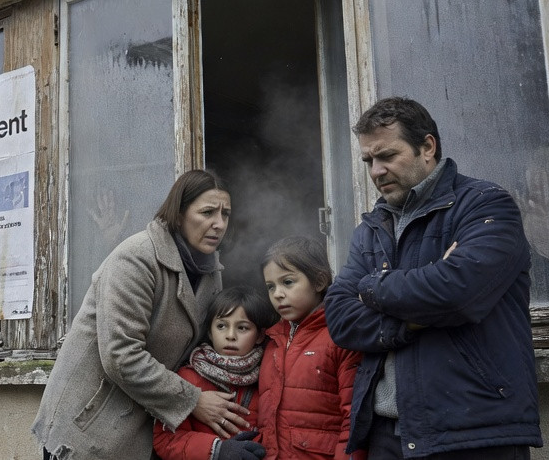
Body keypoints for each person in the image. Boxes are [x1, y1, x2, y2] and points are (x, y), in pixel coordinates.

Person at [323, 97, 541, 459]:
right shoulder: (373, 227)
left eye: (387, 156)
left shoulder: (485, 204)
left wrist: (370, 286)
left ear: (427, 147)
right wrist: (414, 319)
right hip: (387, 435)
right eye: (368, 161)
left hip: (474, 434)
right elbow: (341, 319)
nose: (376, 171)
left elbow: (458, 292)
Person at [33, 170, 250, 459]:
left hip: (140, 428)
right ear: (180, 214)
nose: (219, 224)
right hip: (89, 425)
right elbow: (121, 356)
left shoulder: (210, 273)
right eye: (208, 212)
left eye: (225, 214)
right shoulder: (136, 258)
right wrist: (194, 400)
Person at [258, 236, 365, 460]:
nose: (277, 293)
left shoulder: (340, 337)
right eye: (270, 286)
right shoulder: (272, 341)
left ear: (318, 282)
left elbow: (353, 420)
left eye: (287, 282)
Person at [153, 286, 276, 460]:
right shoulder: (188, 378)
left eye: (242, 328)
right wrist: (216, 450)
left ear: (259, 336)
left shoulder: (267, 378)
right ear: (210, 332)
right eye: (221, 326)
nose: (230, 335)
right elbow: (164, 439)